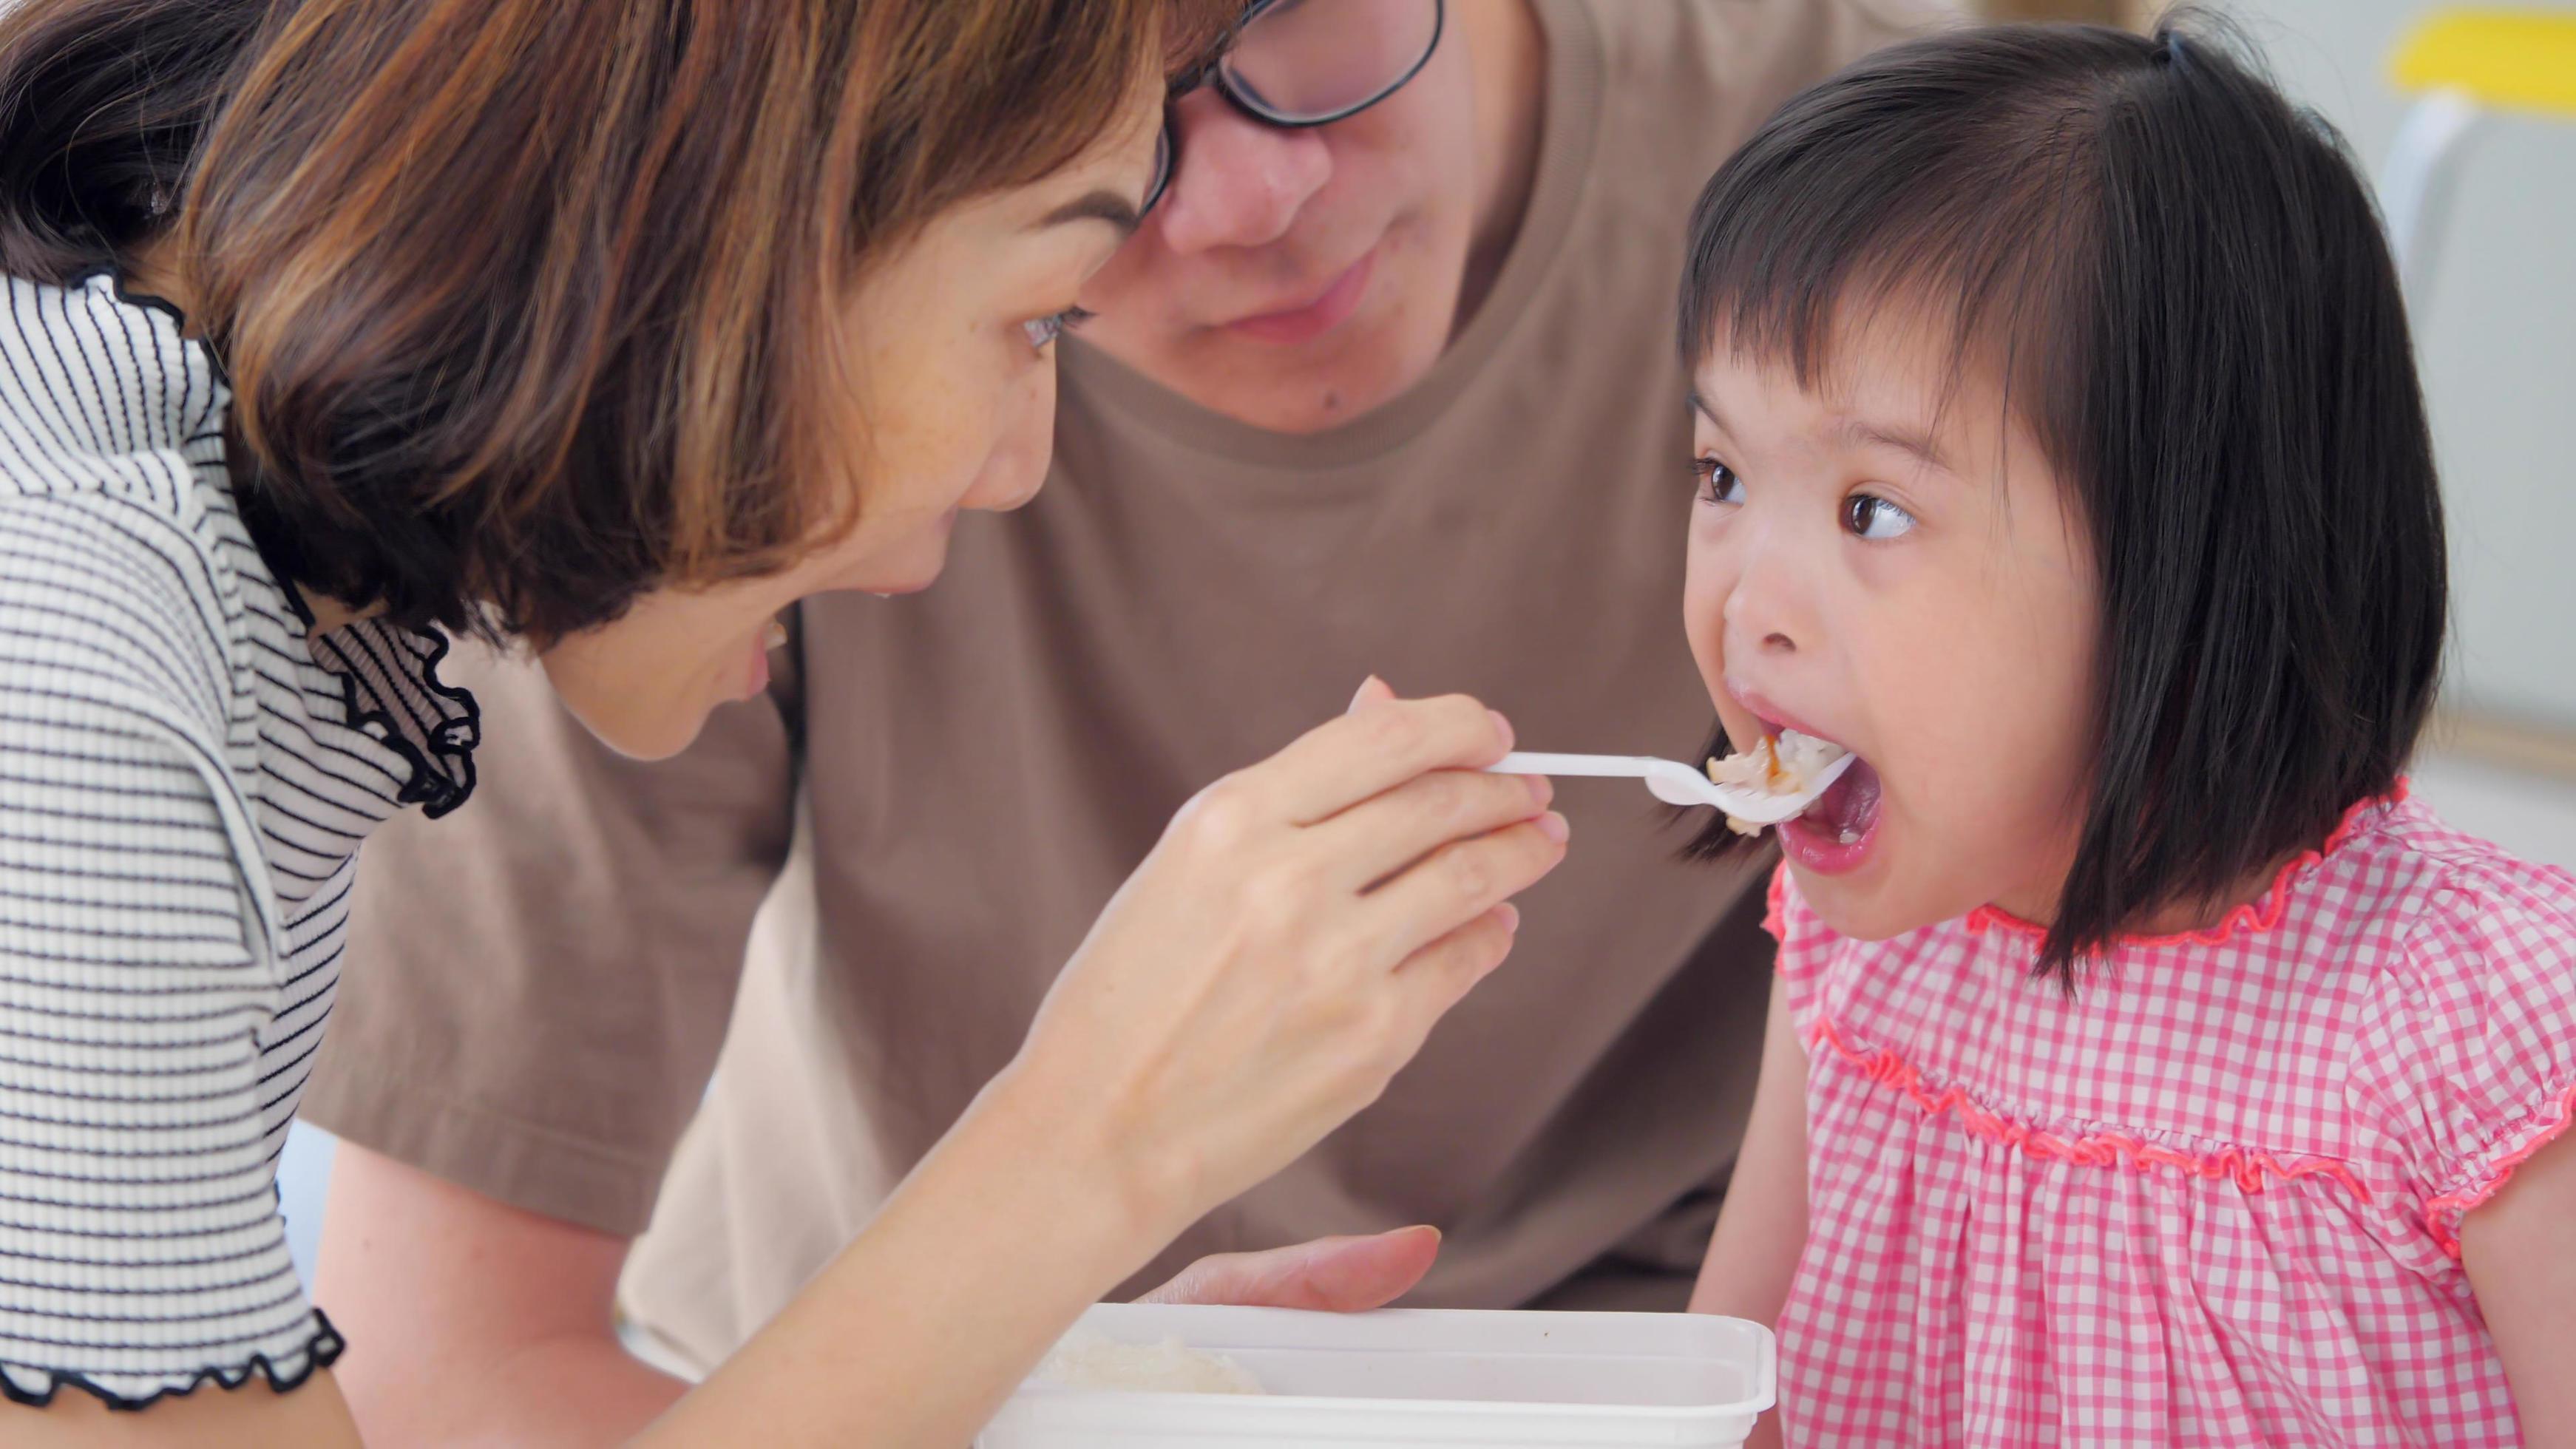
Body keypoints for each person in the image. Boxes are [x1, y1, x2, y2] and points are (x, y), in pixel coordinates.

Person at [296, 0, 1950, 1439]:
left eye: (1288, 7)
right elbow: (453, 1368)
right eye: (1081, 88)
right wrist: (1041, 1386)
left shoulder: (1932, 215)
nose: (1252, 197)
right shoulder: (691, 394)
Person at [0, 0, 1582, 1442]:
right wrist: (1090, 1133)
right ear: (725, 230)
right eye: (1038, 312)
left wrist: (996, 1376)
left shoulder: (221, 593)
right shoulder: (83, 685)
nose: (1016, 463)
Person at [1674, 21, 2576, 1446]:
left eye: (1874, 510)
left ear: (2195, 559)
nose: (1748, 605)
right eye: (1721, 470)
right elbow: (1725, 1401)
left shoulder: (2475, 1033)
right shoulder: (1860, 953)